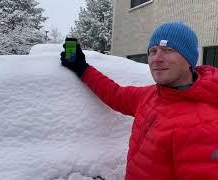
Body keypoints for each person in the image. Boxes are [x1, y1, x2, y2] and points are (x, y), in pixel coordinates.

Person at [60, 22, 218, 180]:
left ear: (189, 60)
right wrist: (82, 68)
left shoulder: (204, 125)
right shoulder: (152, 95)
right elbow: (116, 95)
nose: (157, 58)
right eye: (153, 51)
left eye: (168, 50)